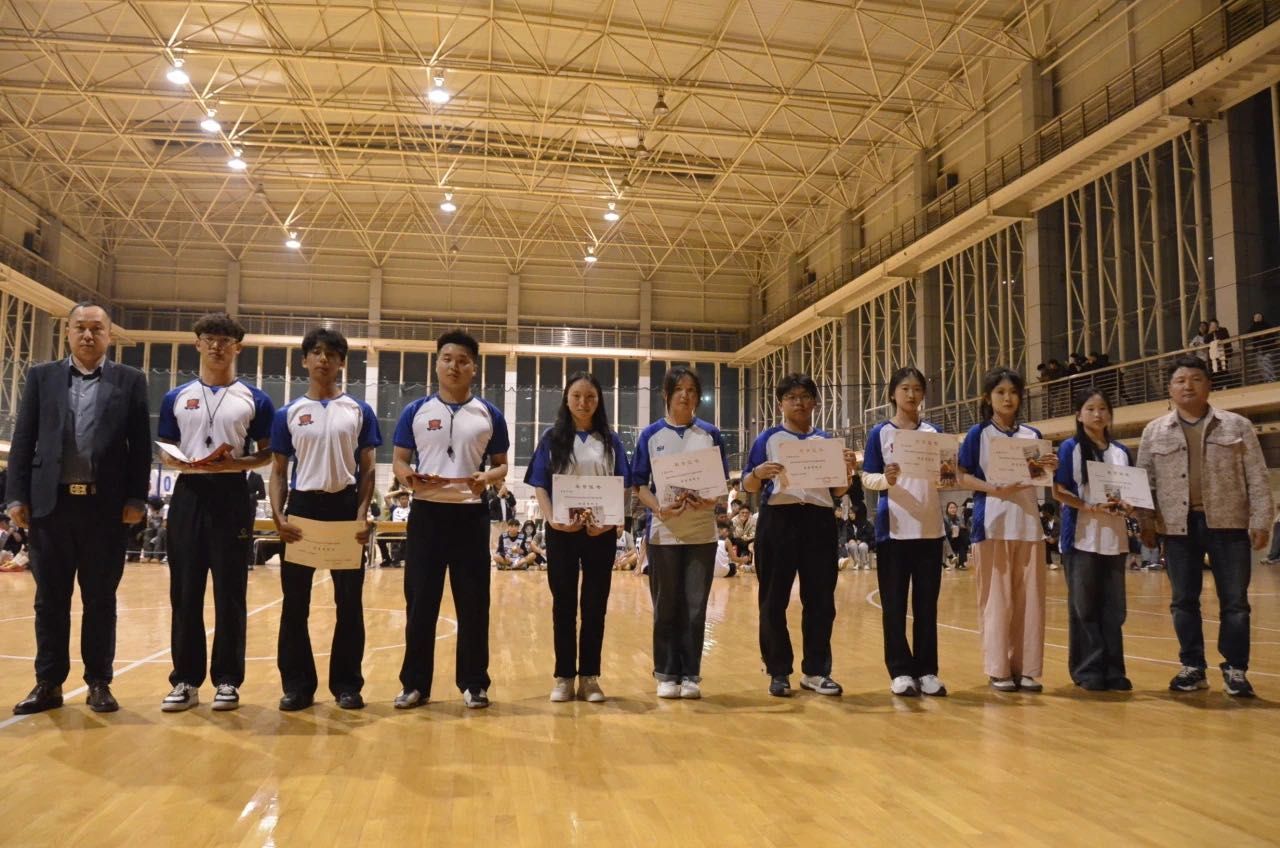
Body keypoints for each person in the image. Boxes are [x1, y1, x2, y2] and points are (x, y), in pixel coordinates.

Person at [6, 301, 151, 715]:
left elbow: (140, 446)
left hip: (105, 510)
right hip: (51, 508)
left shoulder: (130, 380)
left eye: (96, 329)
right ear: (67, 332)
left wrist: (136, 498)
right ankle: (48, 683)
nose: (88, 335)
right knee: (50, 600)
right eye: (80, 328)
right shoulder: (42, 377)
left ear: (109, 335)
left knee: (100, 600)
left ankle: (99, 682)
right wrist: (16, 496)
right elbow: (24, 439)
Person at [157, 312, 274, 712]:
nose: (217, 346)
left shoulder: (256, 399)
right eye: (209, 339)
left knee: (230, 592)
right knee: (185, 592)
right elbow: (165, 449)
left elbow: (267, 453)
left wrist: (235, 464)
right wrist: (177, 462)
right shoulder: (176, 397)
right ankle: (185, 680)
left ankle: (227, 680)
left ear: (237, 348)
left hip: (231, 495)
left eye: (225, 341)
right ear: (198, 344)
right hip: (189, 494)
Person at [1137, 355, 1274, 696]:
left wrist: (1261, 520)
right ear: (1170, 389)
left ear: (1209, 385)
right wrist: (1146, 522)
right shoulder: (1154, 431)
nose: (1188, 386)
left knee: (1235, 602)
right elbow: (1144, 482)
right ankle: (1192, 666)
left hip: (1229, 525)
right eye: (1180, 380)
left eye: (1196, 379)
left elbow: (1257, 475)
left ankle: (1236, 669)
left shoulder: (1237, 426)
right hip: (1176, 527)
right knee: (1183, 601)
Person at [392, 329, 509, 710]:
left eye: (462, 361)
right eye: (447, 359)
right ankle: (414, 684)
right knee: (420, 603)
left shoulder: (489, 414)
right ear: (436, 363)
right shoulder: (416, 411)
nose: (453, 366)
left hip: (471, 516)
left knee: (473, 604)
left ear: (474, 368)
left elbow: (502, 466)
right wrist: (409, 479)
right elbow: (399, 461)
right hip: (426, 514)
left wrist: (486, 478)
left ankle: (474, 683)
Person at [268, 328, 381, 712]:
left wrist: (362, 514)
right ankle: (297, 686)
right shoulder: (287, 413)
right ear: (304, 360)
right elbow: (279, 471)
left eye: (331, 353)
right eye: (315, 352)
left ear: (341, 362)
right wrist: (278, 514)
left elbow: (368, 469)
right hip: (302, 508)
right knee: (294, 603)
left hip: (345, 508)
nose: (323, 359)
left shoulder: (359, 411)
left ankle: (347, 684)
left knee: (349, 603)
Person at [742, 373, 856, 698]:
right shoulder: (768, 439)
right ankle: (778, 671)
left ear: (815, 402)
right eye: (791, 397)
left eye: (805, 396)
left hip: (818, 520)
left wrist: (848, 471)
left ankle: (817, 671)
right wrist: (757, 473)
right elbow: (748, 485)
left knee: (821, 599)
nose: (799, 402)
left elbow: (838, 490)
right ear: (780, 404)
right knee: (773, 599)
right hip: (778, 519)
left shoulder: (826, 441)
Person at [525, 371, 631, 703]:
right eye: (577, 396)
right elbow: (540, 484)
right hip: (561, 533)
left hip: (600, 533)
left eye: (590, 397)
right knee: (564, 605)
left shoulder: (611, 441)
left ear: (599, 401)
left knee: (595, 605)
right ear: (566, 399)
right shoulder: (552, 437)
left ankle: (589, 678)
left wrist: (611, 521)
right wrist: (552, 519)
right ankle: (563, 677)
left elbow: (623, 485)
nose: (583, 403)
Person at [957, 366, 1058, 693]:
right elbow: (959, 475)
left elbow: (1041, 477)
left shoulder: (1033, 435)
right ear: (988, 398)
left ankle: (1027, 669)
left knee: (1031, 602)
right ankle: (998, 668)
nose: (1007, 398)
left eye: (1013, 392)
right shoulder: (978, 434)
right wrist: (992, 488)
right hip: (992, 524)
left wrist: (1050, 467)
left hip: (1028, 525)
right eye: (1000, 392)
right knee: (996, 601)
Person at [631, 365, 728, 699]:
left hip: (702, 533)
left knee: (695, 607)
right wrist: (659, 508)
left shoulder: (710, 434)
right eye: (679, 390)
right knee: (666, 605)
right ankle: (666, 673)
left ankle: (690, 674)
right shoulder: (651, 435)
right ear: (666, 395)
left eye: (691, 390)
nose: (685, 395)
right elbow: (639, 485)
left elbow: (720, 483)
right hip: (664, 533)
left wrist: (710, 500)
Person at [860, 367, 950, 697]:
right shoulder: (880, 433)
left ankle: (927, 670)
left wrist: (946, 476)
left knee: (927, 606)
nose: (911, 395)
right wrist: (886, 479)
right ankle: (899, 670)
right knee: (894, 605)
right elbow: (867, 477)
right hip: (893, 531)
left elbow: (947, 477)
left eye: (917, 389)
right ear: (893, 394)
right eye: (905, 388)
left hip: (930, 530)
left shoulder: (934, 432)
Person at [1052, 388, 1133, 691]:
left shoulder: (1121, 451)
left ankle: (1114, 670)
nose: (1097, 414)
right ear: (1078, 414)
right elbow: (1058, 490)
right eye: (1090, 409)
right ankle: (1088, 669)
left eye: (1102, 408)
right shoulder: (1070, 448)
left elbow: (1132, 493)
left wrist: (1130, 506)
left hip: (1115, 539)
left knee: (1115, 608)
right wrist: (1087, 506)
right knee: (1084, 607)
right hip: (1082, 538)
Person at [944, 501, 970, 570]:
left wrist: (961, 528)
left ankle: (960, 563)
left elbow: (963, 527)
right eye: (951, 508)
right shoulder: (945, 519)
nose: (953, 509)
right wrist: (952, 530)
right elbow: (945, 532)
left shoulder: (960, 518)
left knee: (963, 535)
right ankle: (961, 563)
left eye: (954, 507)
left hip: (958, 538)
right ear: (947, 509)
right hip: (949, 540)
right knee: (963, 539)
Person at [141, 496, 167, 562]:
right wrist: (149, 529)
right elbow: (148, 522)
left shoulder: (165, 508)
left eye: (150, 505)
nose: (149, 507)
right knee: (147, 531)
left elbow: (165, 523)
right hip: (154, 527)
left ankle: (157, 556)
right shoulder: (150, 509)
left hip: (164, 528)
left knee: (160, 532)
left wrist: (155, 536)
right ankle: (147, 555)